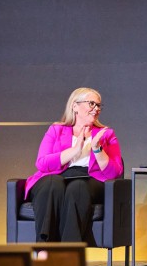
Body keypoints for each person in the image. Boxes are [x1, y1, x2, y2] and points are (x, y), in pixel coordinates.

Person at [25, 87, 124, 243]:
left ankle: (70, 251)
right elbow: (42, 163)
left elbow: (115, 173)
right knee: (52, 184)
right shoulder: (56, 130)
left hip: (89, 179)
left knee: (77, 188)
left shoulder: (106, 134)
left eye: (99, 105)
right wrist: (75, 149)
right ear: (75, 106)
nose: (96, 109)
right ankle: (44, 248)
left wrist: (97, 148)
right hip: (56, 176)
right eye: (91, 104)